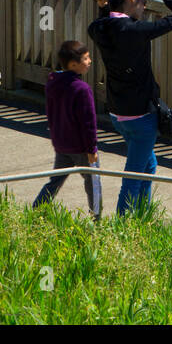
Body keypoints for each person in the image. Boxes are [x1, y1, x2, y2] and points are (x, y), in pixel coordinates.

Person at [87, 0, 172, 216]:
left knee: (149, 164)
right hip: (141, 116)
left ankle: (141, 216)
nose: (145, 2)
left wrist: (104, 5)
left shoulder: (97, 28)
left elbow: (107, 22)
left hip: (117, 112)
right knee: (132, 176)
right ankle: (122, 227)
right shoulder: (137, 30)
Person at [32, 40, 102, 220]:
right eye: (85, 59)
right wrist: (92, 149)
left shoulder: (52, 83)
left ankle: (37, 209)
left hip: (61, 144)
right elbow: (88, 124)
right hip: (80, 147)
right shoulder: (82, 89)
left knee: (55, 180)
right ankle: (96, 217)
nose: (89, 61)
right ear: (73, 64)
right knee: (92, 181)